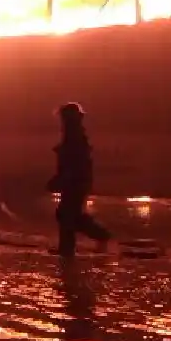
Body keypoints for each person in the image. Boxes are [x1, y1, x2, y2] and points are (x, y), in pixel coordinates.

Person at [46, 102, 110, 257]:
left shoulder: (73, 135)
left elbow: (73, 161)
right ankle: (72, 246)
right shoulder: (74, 134)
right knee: (69, 214)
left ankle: (71, 247)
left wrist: (61, 179)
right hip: (77, 181)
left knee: (67, 214)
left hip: (75, 182)